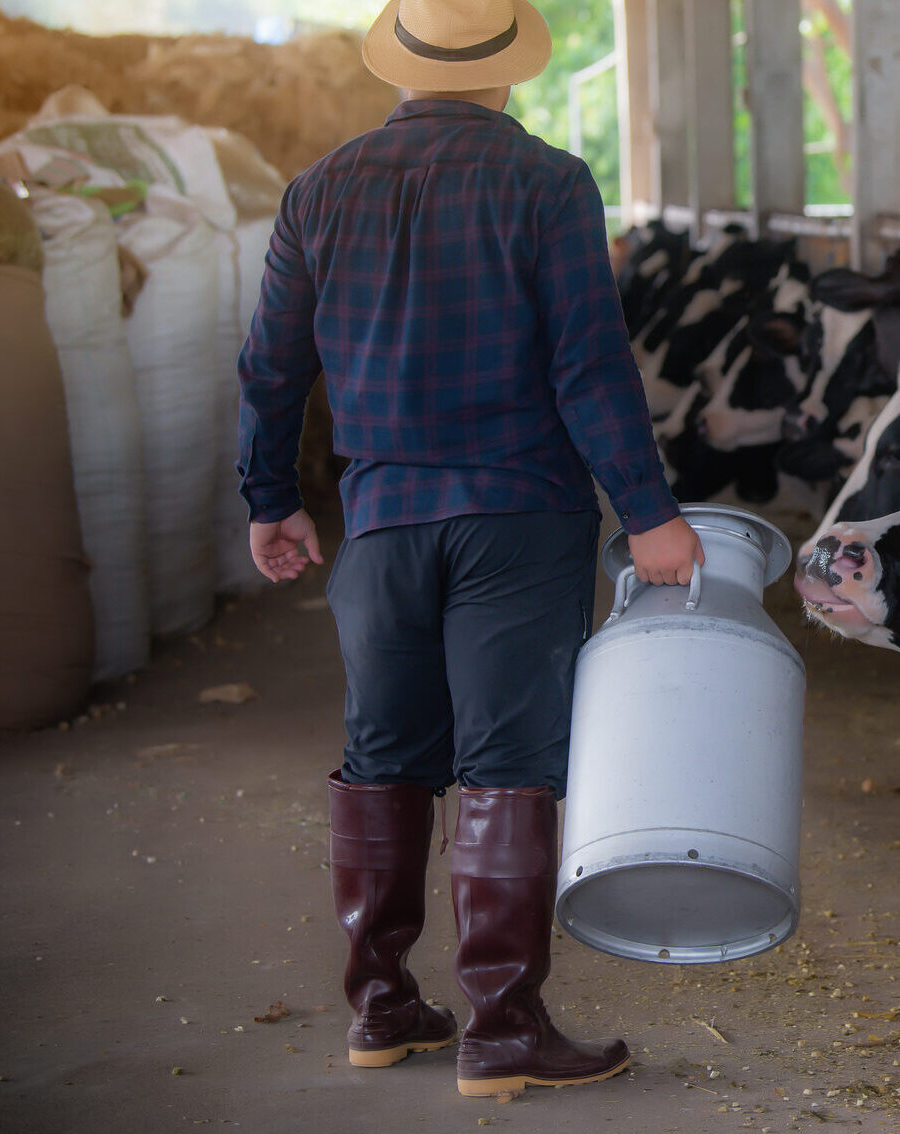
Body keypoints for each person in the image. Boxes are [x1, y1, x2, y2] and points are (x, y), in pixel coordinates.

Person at [235, 0, 700, 1098]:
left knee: (383, 755)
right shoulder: (546, 182)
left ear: (400, 64)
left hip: (382, 521)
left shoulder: (319, 189)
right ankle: (500, 1026)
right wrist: (647, 509)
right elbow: (589, 367)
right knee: (507, 765)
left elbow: (268, 368)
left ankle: (381, 1006)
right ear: (508, 71)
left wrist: (269, 500)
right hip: (517, 517)